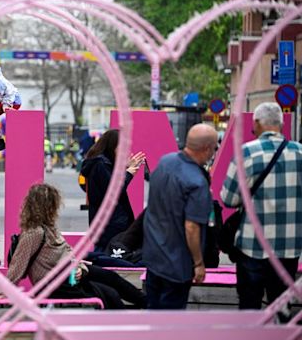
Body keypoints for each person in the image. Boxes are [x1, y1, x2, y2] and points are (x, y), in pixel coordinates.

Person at [4, 183, 146, 309]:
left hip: (68, 277)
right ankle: (139, 311)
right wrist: (3, 291)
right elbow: (18, 263)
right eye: (53, 205)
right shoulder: (34, 232)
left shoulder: (49, 228)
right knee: (108, 293)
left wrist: (80, 269)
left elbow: (68, 253)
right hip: (56, 286)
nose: (56, 209)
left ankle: (145, 305)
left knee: (110, 280)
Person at [221, 102, 302, 312]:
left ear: (257, 123)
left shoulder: (246, 152)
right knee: (281, 306)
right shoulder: (300, 153)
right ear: (281, 125)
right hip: (289, 246)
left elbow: (228, 199)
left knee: (249, 305)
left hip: (252, 245)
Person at [143, 123, 217, 309]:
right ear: (207, 148)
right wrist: (199, 263)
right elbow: (192, 227)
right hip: (177, 264)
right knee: (171, 321)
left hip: (153, 256)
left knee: (153, 313)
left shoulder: (164, 162)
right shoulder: (197, 182)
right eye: (215, 148)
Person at [80, 129, 145, 251]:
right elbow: (114, 190)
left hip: (107, 224)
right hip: (110, 225)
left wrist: (124, 167)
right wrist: (128, 173)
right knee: (108, 257)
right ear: (112, 146)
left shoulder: (102, 164)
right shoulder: (101, 164)